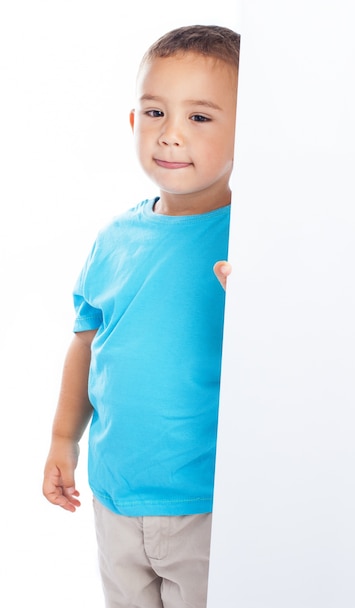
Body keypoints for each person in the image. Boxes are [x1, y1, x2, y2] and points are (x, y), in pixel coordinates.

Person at [42, 24, 239, 608]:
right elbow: (86, 343)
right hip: (115, 498)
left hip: (206, 503)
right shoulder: (114, 238)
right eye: (154, 111)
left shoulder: (252, 240)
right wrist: (61, 438)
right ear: (133, 123)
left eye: (199, 118)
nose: (170, 134)